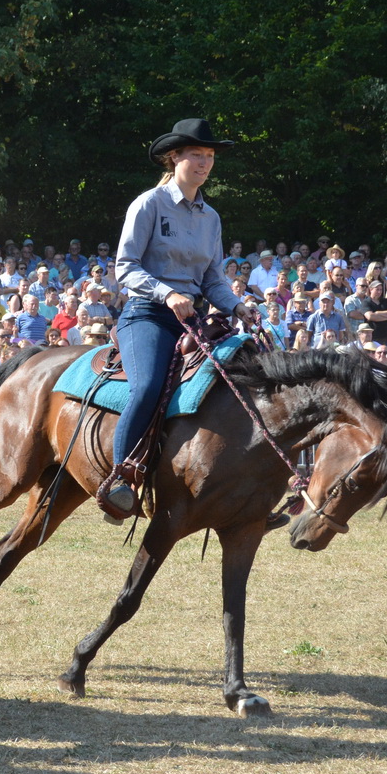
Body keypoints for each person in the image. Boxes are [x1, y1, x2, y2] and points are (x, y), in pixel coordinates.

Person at [104, 118, 256, 520]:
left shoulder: (211, 218)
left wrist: (237, 306)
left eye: (209, 157)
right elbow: (126, 266)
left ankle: (242, 493)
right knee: (149, 386)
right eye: (196, 155)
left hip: (196, 320)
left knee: (242, 385)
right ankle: (121, 479)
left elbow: (212, 280)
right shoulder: (149, 204)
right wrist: (167, 293)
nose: (205, 163)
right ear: (174, 158)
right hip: (148, 315)